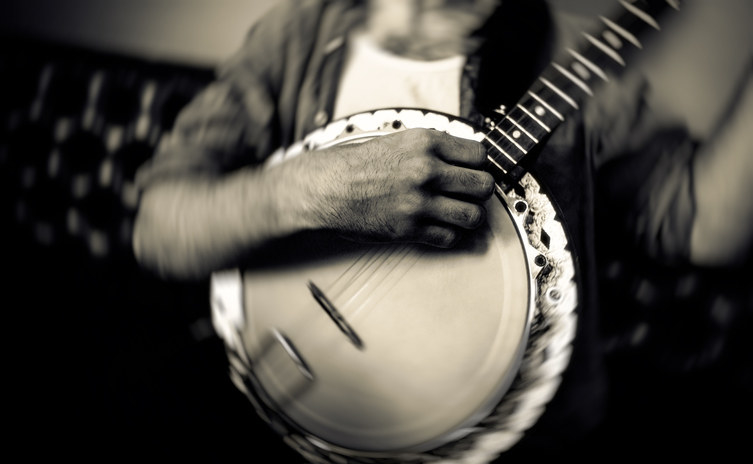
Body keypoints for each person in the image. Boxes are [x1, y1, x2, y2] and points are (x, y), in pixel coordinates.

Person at [131, 0, 751, 460]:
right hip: (268, 402)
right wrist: (308, 187)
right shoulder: (301, 35)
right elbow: (159, 228)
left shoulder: (569, 63)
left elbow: (700, 226)